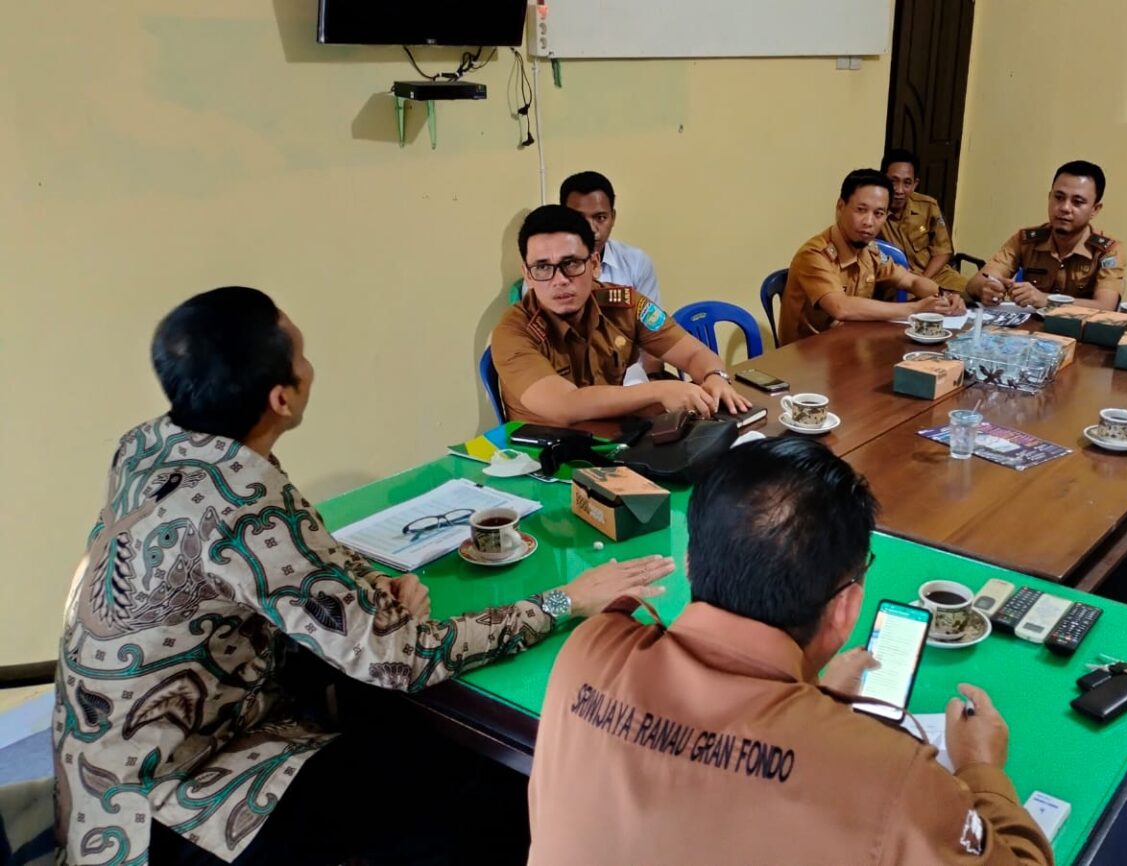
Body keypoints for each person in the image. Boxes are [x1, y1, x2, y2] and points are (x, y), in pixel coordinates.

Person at [54, 286, 675, 866]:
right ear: (282, 398)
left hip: (99, 765)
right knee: (490, 790)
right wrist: (563, 600)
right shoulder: (242, 501)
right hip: (173, 806)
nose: (309, 365)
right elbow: (399, 658)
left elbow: (286, 559)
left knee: (394, 727)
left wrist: (365, 591)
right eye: (302, 355)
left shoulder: (151, 444)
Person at [528, 438, 1054, 865]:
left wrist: (813, 698)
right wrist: (983, 770)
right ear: (846, 609)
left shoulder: (588, 652)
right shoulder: (893, 779)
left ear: (690, 561)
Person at [492, 204, 753, 424]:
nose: (559, 280)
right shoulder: (513, 332)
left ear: (594, 264)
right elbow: (565, 404)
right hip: (543, 458)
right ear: (527, 275)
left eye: (570, 263)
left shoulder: (622, 304)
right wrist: (658, 390)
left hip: (616, 441)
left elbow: (694, 354)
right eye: (542, 267)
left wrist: (715, 377)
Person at [779, 168, 966, 345]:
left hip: (850, 345)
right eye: (861, 210)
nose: (869, 222)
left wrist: (943, 297)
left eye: (878, 213)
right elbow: (841, 307)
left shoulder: (869, 250)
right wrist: (915, 309)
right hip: (808, 356)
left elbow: (911, 281)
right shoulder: (814, 255)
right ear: (841, 207)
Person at [965, 160, 1125, 311]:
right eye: (1059, 197)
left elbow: (1106, 306)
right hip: (1030, 328)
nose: (1065, 208)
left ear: (1095, 209)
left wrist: (1045, 299)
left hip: (1080, 330)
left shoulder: (1107, 250)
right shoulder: (1026, 240)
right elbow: (976, 282)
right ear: (1049, 197)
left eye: (1077, 202)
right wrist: (987, 288)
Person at [560, 170, 664, 382]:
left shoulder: (636, 262)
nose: (591, 229)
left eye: (600, 218)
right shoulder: (545, 277)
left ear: (613, 217)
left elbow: (653, 334)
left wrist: (653, 381)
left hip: (634, 381)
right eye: (578, 219)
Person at [879, 148, 971, 294]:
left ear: (915, 184)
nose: (899, 190)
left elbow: (943, 251)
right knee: (936, 303)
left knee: (974, 293)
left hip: (936, 274)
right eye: (893, 182)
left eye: (907, 183)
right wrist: (915, 284)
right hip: (899, 283)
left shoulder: (928, 206)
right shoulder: (875, 211)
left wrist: (923, 280)